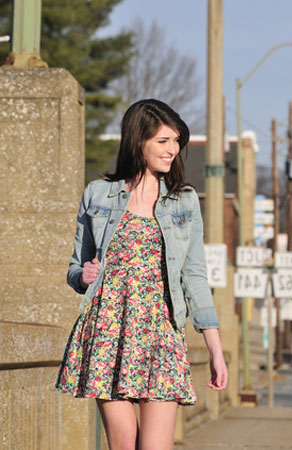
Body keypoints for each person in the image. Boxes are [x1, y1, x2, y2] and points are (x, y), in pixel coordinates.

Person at [55, 99, 228, 450]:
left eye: (176, 141)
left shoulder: (184, 201)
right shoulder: (98, 195)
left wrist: (215, 348)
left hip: (161, 335)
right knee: (123, 443)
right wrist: (84, 275)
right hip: (108, 333)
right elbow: (76, 268)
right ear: (138, 142)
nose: (173, 150)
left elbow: (194, 275)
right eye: (163, 141)